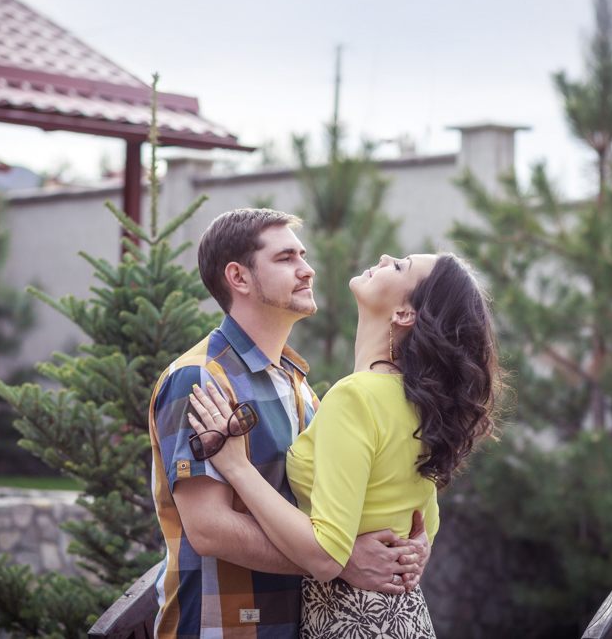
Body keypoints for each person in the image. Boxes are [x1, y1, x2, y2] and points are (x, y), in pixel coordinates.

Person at [187, 251, 501, 638]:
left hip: (352, 619)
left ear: (404, 313)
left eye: (400, 266)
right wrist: (414, 551)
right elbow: (424, 527)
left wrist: (236, 467)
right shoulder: (418, 402)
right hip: (402, 616)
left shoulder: (356, 396)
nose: (386, 257)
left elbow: (325, 555)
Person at [148, 209, 426, 639]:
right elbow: (208, 528)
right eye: (285, 259)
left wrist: (406, 548)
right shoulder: (201, 377)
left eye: (303, 255)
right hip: (227, 629)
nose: (307, 268)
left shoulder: (300, 386)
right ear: (239, 278)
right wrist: (339, 560)